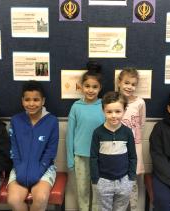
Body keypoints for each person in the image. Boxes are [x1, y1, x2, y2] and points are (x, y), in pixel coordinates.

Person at [7, 80, 59, 211]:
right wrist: (20, 168)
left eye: (36, 99)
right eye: (27, 100)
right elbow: (14, 149)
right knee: (13, 200)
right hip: (19, 167)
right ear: (22, 101)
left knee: (41, 198)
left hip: (44, 168)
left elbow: (50, 152)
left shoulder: (52, 121)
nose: (31, 103)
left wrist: (38, 170)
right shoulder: (15, 120)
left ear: (43, 101)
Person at [66, 61, 105, 211]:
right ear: (81, 86)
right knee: (82, 191)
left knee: (97, 190)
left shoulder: (104, 106)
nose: (90, 90)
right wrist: (70, 159)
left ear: (100, 88)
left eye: (95, 87)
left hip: (100, 157)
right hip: (80, 157)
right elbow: (70, 135)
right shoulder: (76, 107)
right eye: (87, 86)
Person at [90, 91, 137, 211]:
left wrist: (131, 178)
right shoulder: (97, 132)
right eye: (109, 112)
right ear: (103, 111)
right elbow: (93, 157)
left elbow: (132, 156)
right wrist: (96, 179)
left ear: (124, 111)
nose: (113, 115)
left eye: (118, 111)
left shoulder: (127, 132)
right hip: (103, 181)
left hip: (124, 180)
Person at [117, 67, 146, 211]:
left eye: (133, 84)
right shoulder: (114, 101)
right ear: (119, 82)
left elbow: (141, 124)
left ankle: (133, 208)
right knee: (118, 184)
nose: (130, 87)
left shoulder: (140, 102)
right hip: (117, 149)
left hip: (134, 149)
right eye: (127, 83)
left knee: (132, 183)